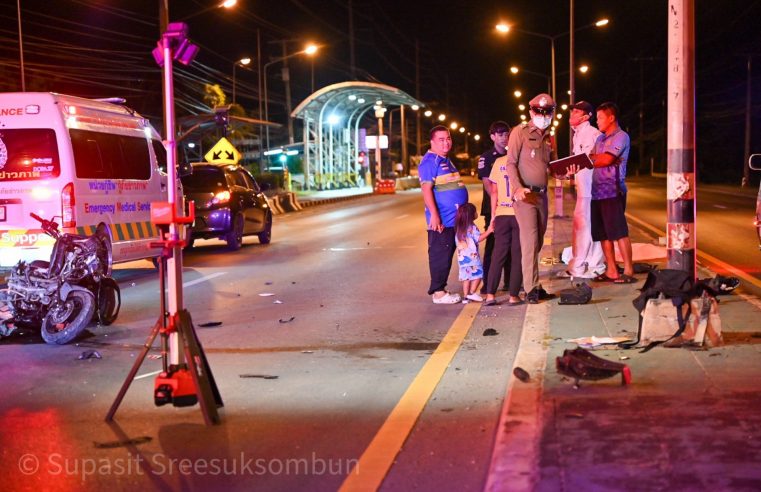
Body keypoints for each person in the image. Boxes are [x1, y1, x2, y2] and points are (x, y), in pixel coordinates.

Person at [505, 93, 557, 303]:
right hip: (526, 195)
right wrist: (517, 188)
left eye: (547, 112)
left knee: (538, 243)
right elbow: (510, 163)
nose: (542, 116)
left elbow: (551, 166)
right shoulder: (520, 132)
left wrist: (565, 170)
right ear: (531, 112)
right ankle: (531, 289)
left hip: (542, 196)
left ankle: (534, 283)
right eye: (539, 111)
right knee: (530, 241)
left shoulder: (549, 137)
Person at [419, 125, 470, 304]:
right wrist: (434, 215)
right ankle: (439, 293)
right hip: (443, 220)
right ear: (432, 142)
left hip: (454, 219)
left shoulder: (445, 160)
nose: (446, 142)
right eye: (441, 139)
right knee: (440, 256)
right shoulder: (429, 162)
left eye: (448, 138)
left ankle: (443, 289)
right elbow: (426, 190)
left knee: (448, 255)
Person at [589, 102, 635, 283]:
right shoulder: (599, 139)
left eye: (600, 117)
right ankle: (612, 270)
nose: (597, 121)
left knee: (619, 232)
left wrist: (593, 158)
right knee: (602, 234)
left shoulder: (621, 136)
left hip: (613, 190)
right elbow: (591, 158)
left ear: (611, 118)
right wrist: (593, 158)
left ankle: (629, 271)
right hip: (597, 192)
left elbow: (606, 160)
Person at [562, 100, 605, 280]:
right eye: (572, 112)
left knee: (588, 227)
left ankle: (593, 264)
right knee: (583, 227)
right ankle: (584, 261)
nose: (571, 115)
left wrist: (573, 167)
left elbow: (588, 160)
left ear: (586, 117)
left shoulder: (591, 133)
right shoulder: (577, 134)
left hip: (591, 189)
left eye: (576, 113)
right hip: (583, 189)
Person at [484, 154, 523, 306]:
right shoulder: (522, 161)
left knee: (498, 255)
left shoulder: (499, 162)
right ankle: (513, 296)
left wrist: (493, 215)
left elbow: (494, 191)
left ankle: (490, 295)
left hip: (501, 214)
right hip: (519, 214)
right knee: (517, 255)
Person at [477, 121, 511, 293]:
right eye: (500, 135)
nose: (504, 138)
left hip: (511, 208)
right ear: (492, 137)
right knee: (492, 246)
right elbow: (488, 185)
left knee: (511, 245)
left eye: (506, 134)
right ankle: (488, 284)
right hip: (494, 209)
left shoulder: (513, 155)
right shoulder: (486, 158)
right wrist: (498, 205)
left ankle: (510, 282)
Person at [454, 203, 493, 303]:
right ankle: (472, 293)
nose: (477, 213)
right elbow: (478, 238)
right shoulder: (472, 227)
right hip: (473, 259)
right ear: (471, 215)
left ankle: (466, 297)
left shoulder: (458, 228)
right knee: (479, 274)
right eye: (475, 211)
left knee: (466, 278)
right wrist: (489, 231)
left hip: (462, 260)